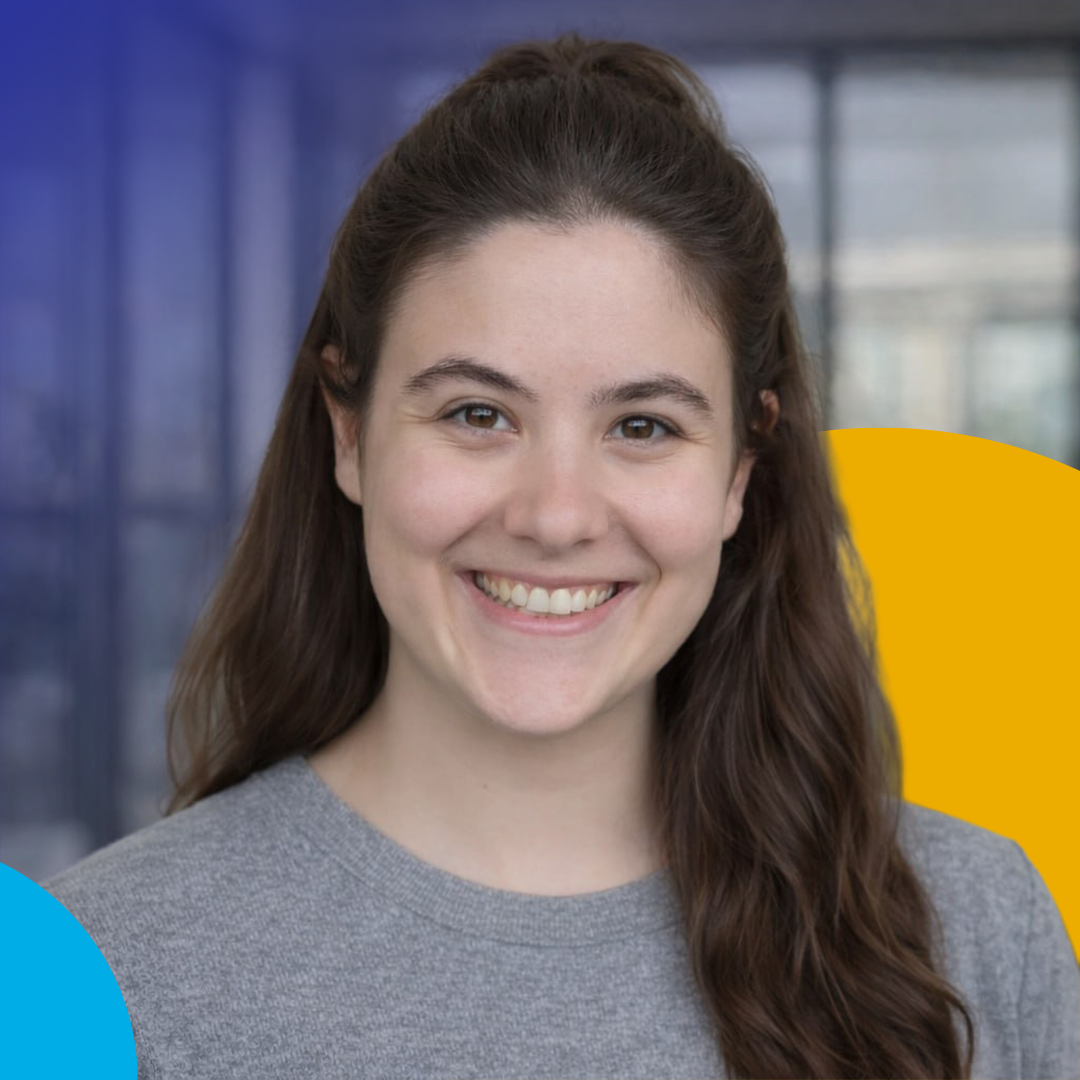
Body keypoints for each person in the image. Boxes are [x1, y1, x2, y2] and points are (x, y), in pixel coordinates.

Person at [46, 33, 1077, 1080]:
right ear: (348, 434)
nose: (555, 514)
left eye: (643, 427)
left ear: (741, 471)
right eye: (478, 412)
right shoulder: (109, 973)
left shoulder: (975, 933)